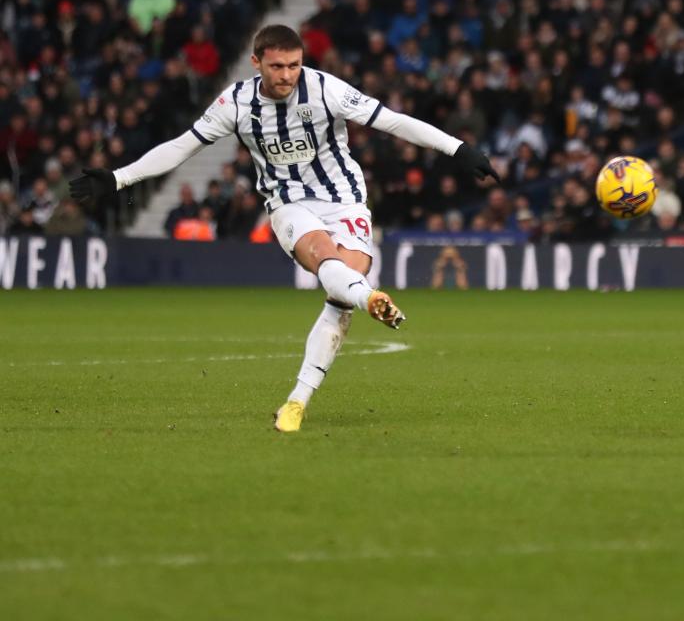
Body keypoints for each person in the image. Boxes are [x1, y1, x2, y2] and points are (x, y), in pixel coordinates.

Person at [70, 25, 499, 432]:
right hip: (289, 205)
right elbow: (181, 147)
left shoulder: (325, 88)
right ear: (256, 62)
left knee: (339, 296)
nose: (288, 75)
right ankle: (370, 297)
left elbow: (393, 120)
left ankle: (297, 400)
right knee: (324, 259)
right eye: (277, 67)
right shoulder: (235, 103)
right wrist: (117, 177)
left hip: (345, 201)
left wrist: (457, 148)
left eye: (294, 65)